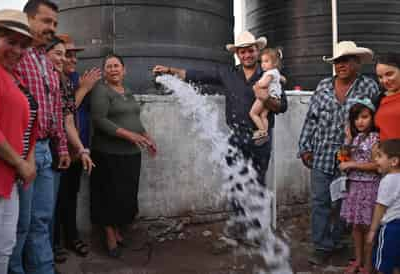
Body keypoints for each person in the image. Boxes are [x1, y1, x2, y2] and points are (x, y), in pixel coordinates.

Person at [152, 31, 287, 188]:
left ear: (257, 51)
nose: (247, 55)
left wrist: (266, 98)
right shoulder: (227, 73)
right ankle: (239, 213)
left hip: (260, 139)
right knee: (236, 187)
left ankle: (257, 212)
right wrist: (170, 70)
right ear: (237, 54)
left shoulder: (269, 75)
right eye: (242, 51)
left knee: (257, 185)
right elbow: (196, 75)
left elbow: (282, 106)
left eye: (251, 50)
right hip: (236, 138)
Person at [298, 41, 379, 265]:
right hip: (321, 154)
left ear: (357, 63)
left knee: (345, 203)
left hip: (353, 157)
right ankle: (322, 247)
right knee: (320, 201)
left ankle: (339, 242)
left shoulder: (369, 87)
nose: (340, 65)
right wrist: (304, 147)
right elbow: (310, 119)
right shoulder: (323, 85)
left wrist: (374, 150)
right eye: (337, 61)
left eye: (345, 60)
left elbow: (375, 122)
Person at [8, 1, 70, 274]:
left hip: (46, 151)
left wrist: (64, 147)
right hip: (20, 151)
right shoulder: (14, 55)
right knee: (18, 225)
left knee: (42, 220)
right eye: (46, 22)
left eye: (55, 24)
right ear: (28, 19)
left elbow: (55, 109)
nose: (51, 28)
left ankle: (43, 269)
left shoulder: (47, 62)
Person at [90, 54, 157, 257]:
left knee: (125, 196)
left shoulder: (126, 91)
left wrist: (147, 137)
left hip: (131, 153)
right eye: (109, 67)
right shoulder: (101, 91)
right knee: (109, 195)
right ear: (104, 71)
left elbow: (134, 119)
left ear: (124, 70)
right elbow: (100, 120)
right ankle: (109, 236)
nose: (113, 69)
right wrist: (129, 135)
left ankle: (117, 229)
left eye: (116, 66)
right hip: (109, 153)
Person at [0, 9, 37, 274]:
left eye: (22, 45)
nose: (18, 50)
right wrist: (21, 163)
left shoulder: (14, 77)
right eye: (10, 41)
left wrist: (27, 162)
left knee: (4, 249)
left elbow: (29, 126)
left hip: (10, 178)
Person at [52, 33, 101, 261]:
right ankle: (54, 243)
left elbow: (82, 115)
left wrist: (84, 148)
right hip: (58, 151)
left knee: (70, 196)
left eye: (73, 56)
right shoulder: (55, 78)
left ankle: (71, 237)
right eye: (66, 55)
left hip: (77, 151)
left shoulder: (75, 79)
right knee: (54, 199)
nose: (72, 60)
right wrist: (83, 90)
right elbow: (65, 113)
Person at [338, 99, 380, 274]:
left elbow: (377, 166)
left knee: (368, 227)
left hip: (369, 188)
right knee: (356, 226)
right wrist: (347, 140)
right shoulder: (355, 138)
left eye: (364, 117)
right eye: (356, 118)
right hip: (354, 186)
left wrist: (352, 165)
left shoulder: (375, 139)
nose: (360, 122)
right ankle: (358, 260)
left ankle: (368, 264)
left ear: (372, 117)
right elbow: (343, 157)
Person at [367, 139, 400, 274]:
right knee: (396, 265)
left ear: (393, 161)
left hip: (390, 229)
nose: (375, 159)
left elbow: (380, 208)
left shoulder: (387, 181)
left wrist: (373, 231)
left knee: (383, 266)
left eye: (380, 156)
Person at [249, 47, 284, 144]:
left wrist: (256, 84)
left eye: (266, 61)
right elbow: (282, 79)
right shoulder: (275, 72)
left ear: (274, 63)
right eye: (262, 62)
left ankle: (262, 131)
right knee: (263, 116)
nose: (263, 64)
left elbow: (264, 84)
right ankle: (265, 133)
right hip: (274, 96)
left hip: (265, 96)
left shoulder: (269, 73)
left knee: (253, 113)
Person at [374, 53, 400, 140]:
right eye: (380, 77)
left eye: (389, 74)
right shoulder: (380, 98)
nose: (384, 81)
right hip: (384, 152)